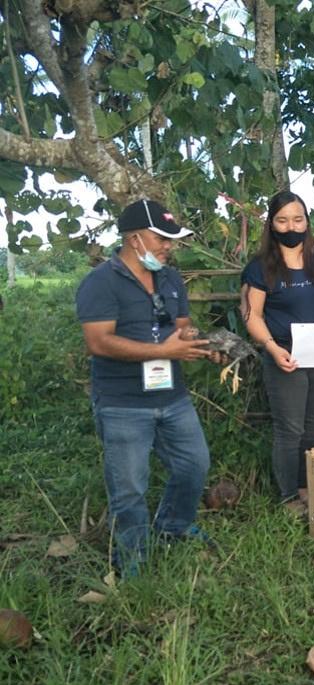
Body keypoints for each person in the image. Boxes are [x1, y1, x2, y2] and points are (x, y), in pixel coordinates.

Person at [76, 199, 218, 576]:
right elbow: (99, 342)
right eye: (162, 238)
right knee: (129, 489)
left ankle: (173, 526)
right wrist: (162, 351)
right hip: (122, 403)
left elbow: (181, 327)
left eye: (171, 239)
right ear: (134, 238)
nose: (169, 246)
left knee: (194, 465)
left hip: (172, 396)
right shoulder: (100, 283)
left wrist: (204, 345)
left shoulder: (170, 278)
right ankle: (132, 559)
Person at [242, 191, 314, 512]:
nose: (291, 227)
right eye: (283, 220)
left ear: (307, 222)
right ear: (271, 224)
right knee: (290, 428)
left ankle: (306, 489)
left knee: (313, 425)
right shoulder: (261, 268)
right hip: (284, 353)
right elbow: (251, 315)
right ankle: (288, 497)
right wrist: (271, 348)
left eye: (298, 219)